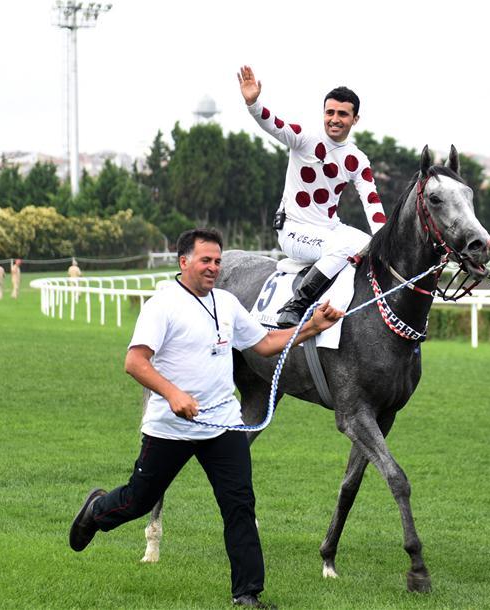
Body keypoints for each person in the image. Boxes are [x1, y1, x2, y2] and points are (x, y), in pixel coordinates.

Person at [69, 228, 344, 609]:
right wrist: (173, 394)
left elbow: (264, 344)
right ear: (184, 262)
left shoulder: (227, 303)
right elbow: (135, 362)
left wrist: (310, 327)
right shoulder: (162, 305)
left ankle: (247, 593)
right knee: (136, 500)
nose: (214, 267)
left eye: (217, 260)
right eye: (205, 260)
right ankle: (96, 512)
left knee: (239, 505)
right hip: (171, 427)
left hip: (222, 424)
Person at [237, 65, 387, 327]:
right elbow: (274, 124)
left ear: (355, 119)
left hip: (329, 229)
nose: (334, 119)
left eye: (343, 114)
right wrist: (253, 104)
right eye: (330, 112)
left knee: (371, 245)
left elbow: (371, 202)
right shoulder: (304, 139)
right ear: (323, 114)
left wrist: (385, 238)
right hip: (294, 231)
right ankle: (296, 304)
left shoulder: (357, 159)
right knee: (344, 248)